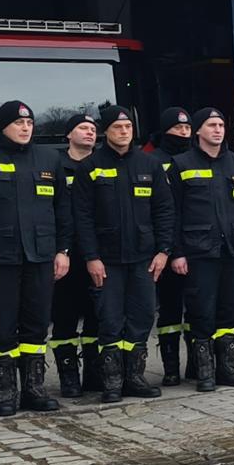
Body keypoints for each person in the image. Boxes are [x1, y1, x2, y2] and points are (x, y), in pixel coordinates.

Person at [0, 101, 70, 417]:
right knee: (3, 326)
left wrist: (63, 251)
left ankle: (34, 389)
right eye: (19, 123)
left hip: (41, 255)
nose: (25, 128)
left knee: (35, 327)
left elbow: (63, 209)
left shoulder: (49, 159)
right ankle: (6, 393)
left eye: (30, 123)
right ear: (3, 125)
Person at [72, 106, 175, 403]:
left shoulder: (149, 165)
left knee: (141, 318)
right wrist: (91, 257)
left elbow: (165, 211)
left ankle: (135, 377)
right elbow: (83, 217)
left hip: (144, 258)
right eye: (117, 127)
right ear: (106, 131)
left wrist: (163, 251)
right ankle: (113, 381)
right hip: (106, 261)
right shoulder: (90, 167)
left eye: (128, 126)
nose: (124, 131)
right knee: (110, 320)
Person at [168, 107, 234, 391]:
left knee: (230, 310)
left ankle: (227, 368)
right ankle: (204, 372)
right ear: (197, 131)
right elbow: (172, 213)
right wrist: (177, 252)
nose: (218, 130)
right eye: (211, 125)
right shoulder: (180, 164)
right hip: (198, 250)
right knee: (201, 310)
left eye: (221, 125)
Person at [49, 112, 100, 398]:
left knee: (98, 316)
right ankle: (68, 377)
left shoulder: (102, 165)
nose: (90, 133)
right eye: (83, 128)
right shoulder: (56, 166)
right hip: (65, 256)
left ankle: (95, 374)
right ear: (69, 134)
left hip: (98, 254)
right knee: (65, 316)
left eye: (93, 129)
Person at [149, 108, 195, 386]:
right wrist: (167, 248)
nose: (184, 133)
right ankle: (170, 368)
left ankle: (194, 364)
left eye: (188, 129)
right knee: (169, 310)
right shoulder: (152, 161)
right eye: (178, 129)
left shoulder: (195, 159)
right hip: (166, 245)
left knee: (196, 310)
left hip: (195, 245)